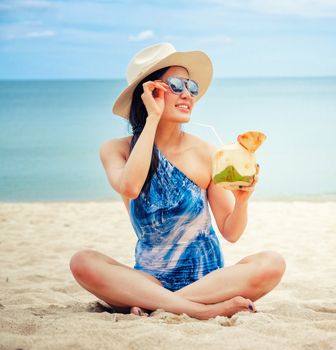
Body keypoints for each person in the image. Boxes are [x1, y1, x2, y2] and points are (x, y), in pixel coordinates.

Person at [69, 43, 286, 320]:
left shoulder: (207, 152)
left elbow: (231, 232)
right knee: (82, 261)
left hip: (207, 283)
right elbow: (131, 186)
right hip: (148, 282)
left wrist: (243, 201)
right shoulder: (117, 150)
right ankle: (200, 311)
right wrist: (152, 119)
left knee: (272, 262)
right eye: (175, 84)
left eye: (192, 87)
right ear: (148, 93)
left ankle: (162, 305)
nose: (187, 94)